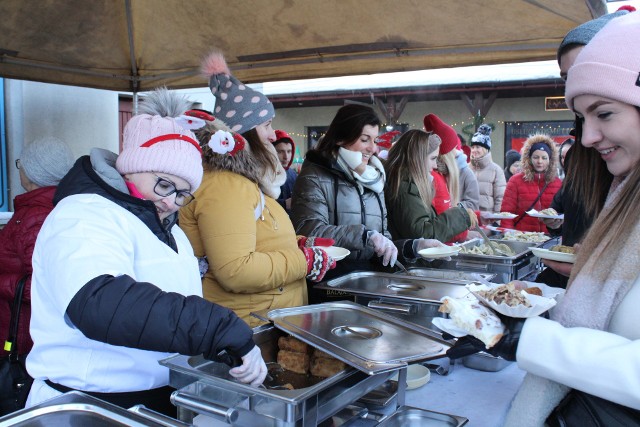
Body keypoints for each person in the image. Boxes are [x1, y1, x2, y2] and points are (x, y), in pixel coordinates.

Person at [447, 13, 640, 426]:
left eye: (603, 114)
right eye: (582, 117)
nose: (587, 138)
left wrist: (527, 337)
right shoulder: (624, 193)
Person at [25, 88, 267, 416]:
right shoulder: (84, 213)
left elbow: (167, 310)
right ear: (132, 166)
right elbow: (100, 302)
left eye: (183, 193)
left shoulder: (174, 234)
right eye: (164, 184)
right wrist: (217, 327)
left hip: (153, 402)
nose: (170, 201)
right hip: (86, 406)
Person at [179, 52, 334, 326]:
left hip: (264, 319)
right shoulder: (226, 185)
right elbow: (236, 270)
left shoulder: (246, 181)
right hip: (248, 328)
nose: (274, 135)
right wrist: (304, 260)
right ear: (246, 133)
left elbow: (253, 238)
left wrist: (298, 244)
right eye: (266, 126)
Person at [291, 105, 446, 303]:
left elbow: (382, 243)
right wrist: (364, 235)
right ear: (340, 138)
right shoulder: (314, 176)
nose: (372, 148)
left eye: (374, 140)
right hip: (328, 286)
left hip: (366, 283)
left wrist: (413, 247)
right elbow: (308, 231)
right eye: (365, 140)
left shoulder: (374, 179)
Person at [537, 7, 631, 282]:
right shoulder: (582, 145)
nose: (574, 84)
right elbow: (574, 205)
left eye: (604, 114)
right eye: (567, 77)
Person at [0, 137, 74, 362]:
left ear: (34, 172)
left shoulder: (37, 216)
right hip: (22, 329)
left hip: (23, 337)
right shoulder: (44, 208)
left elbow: (46, 285)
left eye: (21, 163)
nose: (20, 168)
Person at [385, 129, 478, 244]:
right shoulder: (405, 187)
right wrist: (461, 216)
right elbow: (423, 234)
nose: (435, 165)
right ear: (418, 157)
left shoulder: (409, 183)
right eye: (433, 158)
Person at [500, 134, 562, 232]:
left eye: (544, 158)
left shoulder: (558, 183)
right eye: (536, 157)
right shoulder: (515, 181)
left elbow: (561, 215)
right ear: (529, 158)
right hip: (522, 238)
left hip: (547, 239)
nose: (540, 161)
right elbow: (507, 213)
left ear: (550, 160)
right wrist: (509, 236)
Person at [424, 114, 480, 211]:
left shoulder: (464, 172)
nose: (458, 151)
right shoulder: (434, 177)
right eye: (454, 147)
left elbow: (473, 204)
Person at [469, 124, 506, 213]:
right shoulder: (466, 168)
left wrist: (497, 220)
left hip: (487, 220)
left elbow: (500, 198)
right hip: (468, 219)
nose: (474, 150)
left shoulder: (496, 170)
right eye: (473, 147)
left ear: (486, 149)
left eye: (478, 147)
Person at [272, 129, 298, 214]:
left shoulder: (293, 174)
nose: (286, 157)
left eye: (289, 151)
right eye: (280, 151)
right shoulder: (264, 174)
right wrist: (284, 204)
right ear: (271, 151)